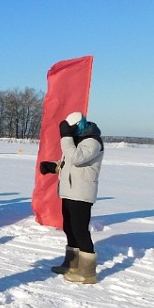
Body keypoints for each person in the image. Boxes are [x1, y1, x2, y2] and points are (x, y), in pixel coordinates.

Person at [39, 111, 104, 284]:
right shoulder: (77, 141)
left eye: (70, 129)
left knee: (80, 230)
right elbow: (67, 164)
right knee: (69, 228)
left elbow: (76, 158)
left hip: (82, 193)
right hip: (69, 191)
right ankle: (72, 264)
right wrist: (52, 167)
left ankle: (87, 272)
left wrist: (65, 137)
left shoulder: (93, 141)